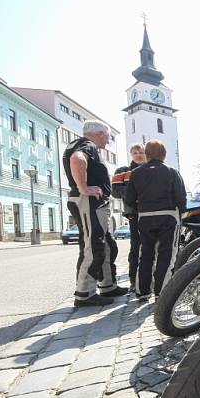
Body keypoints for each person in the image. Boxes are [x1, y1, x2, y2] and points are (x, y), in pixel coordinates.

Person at [63, 121, 128, 306]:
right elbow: (77, 159)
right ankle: (84, 293)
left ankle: (107, 286)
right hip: (88, 202)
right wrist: (83, 188)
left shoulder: (83, 145)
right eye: (108, 136)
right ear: (99, 134)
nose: (108, 140)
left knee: (107, 244)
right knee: (92, 245)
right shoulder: (85, 145)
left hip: (95, 203)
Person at [125, 140, 187, 301]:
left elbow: (129, 199)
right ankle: (161, 291)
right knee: (166, 254)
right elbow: (181, 197)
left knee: (145, 254)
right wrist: (181, 213)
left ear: (147, 154)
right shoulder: (172, 172)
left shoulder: (136, 173)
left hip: (145, 217)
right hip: (168, 216)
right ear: (163, 154)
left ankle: (142, 291)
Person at [111, 144, 147, 292]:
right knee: (136, 247)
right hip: (134, 213)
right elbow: (115, 191)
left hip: (152, 212)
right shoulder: (123, 171)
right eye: (135, 152)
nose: (138, 155)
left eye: (141, 152)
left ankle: (149, 280)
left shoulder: (151, 169)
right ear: (131, 154)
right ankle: (133, 280)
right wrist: (135, 191)